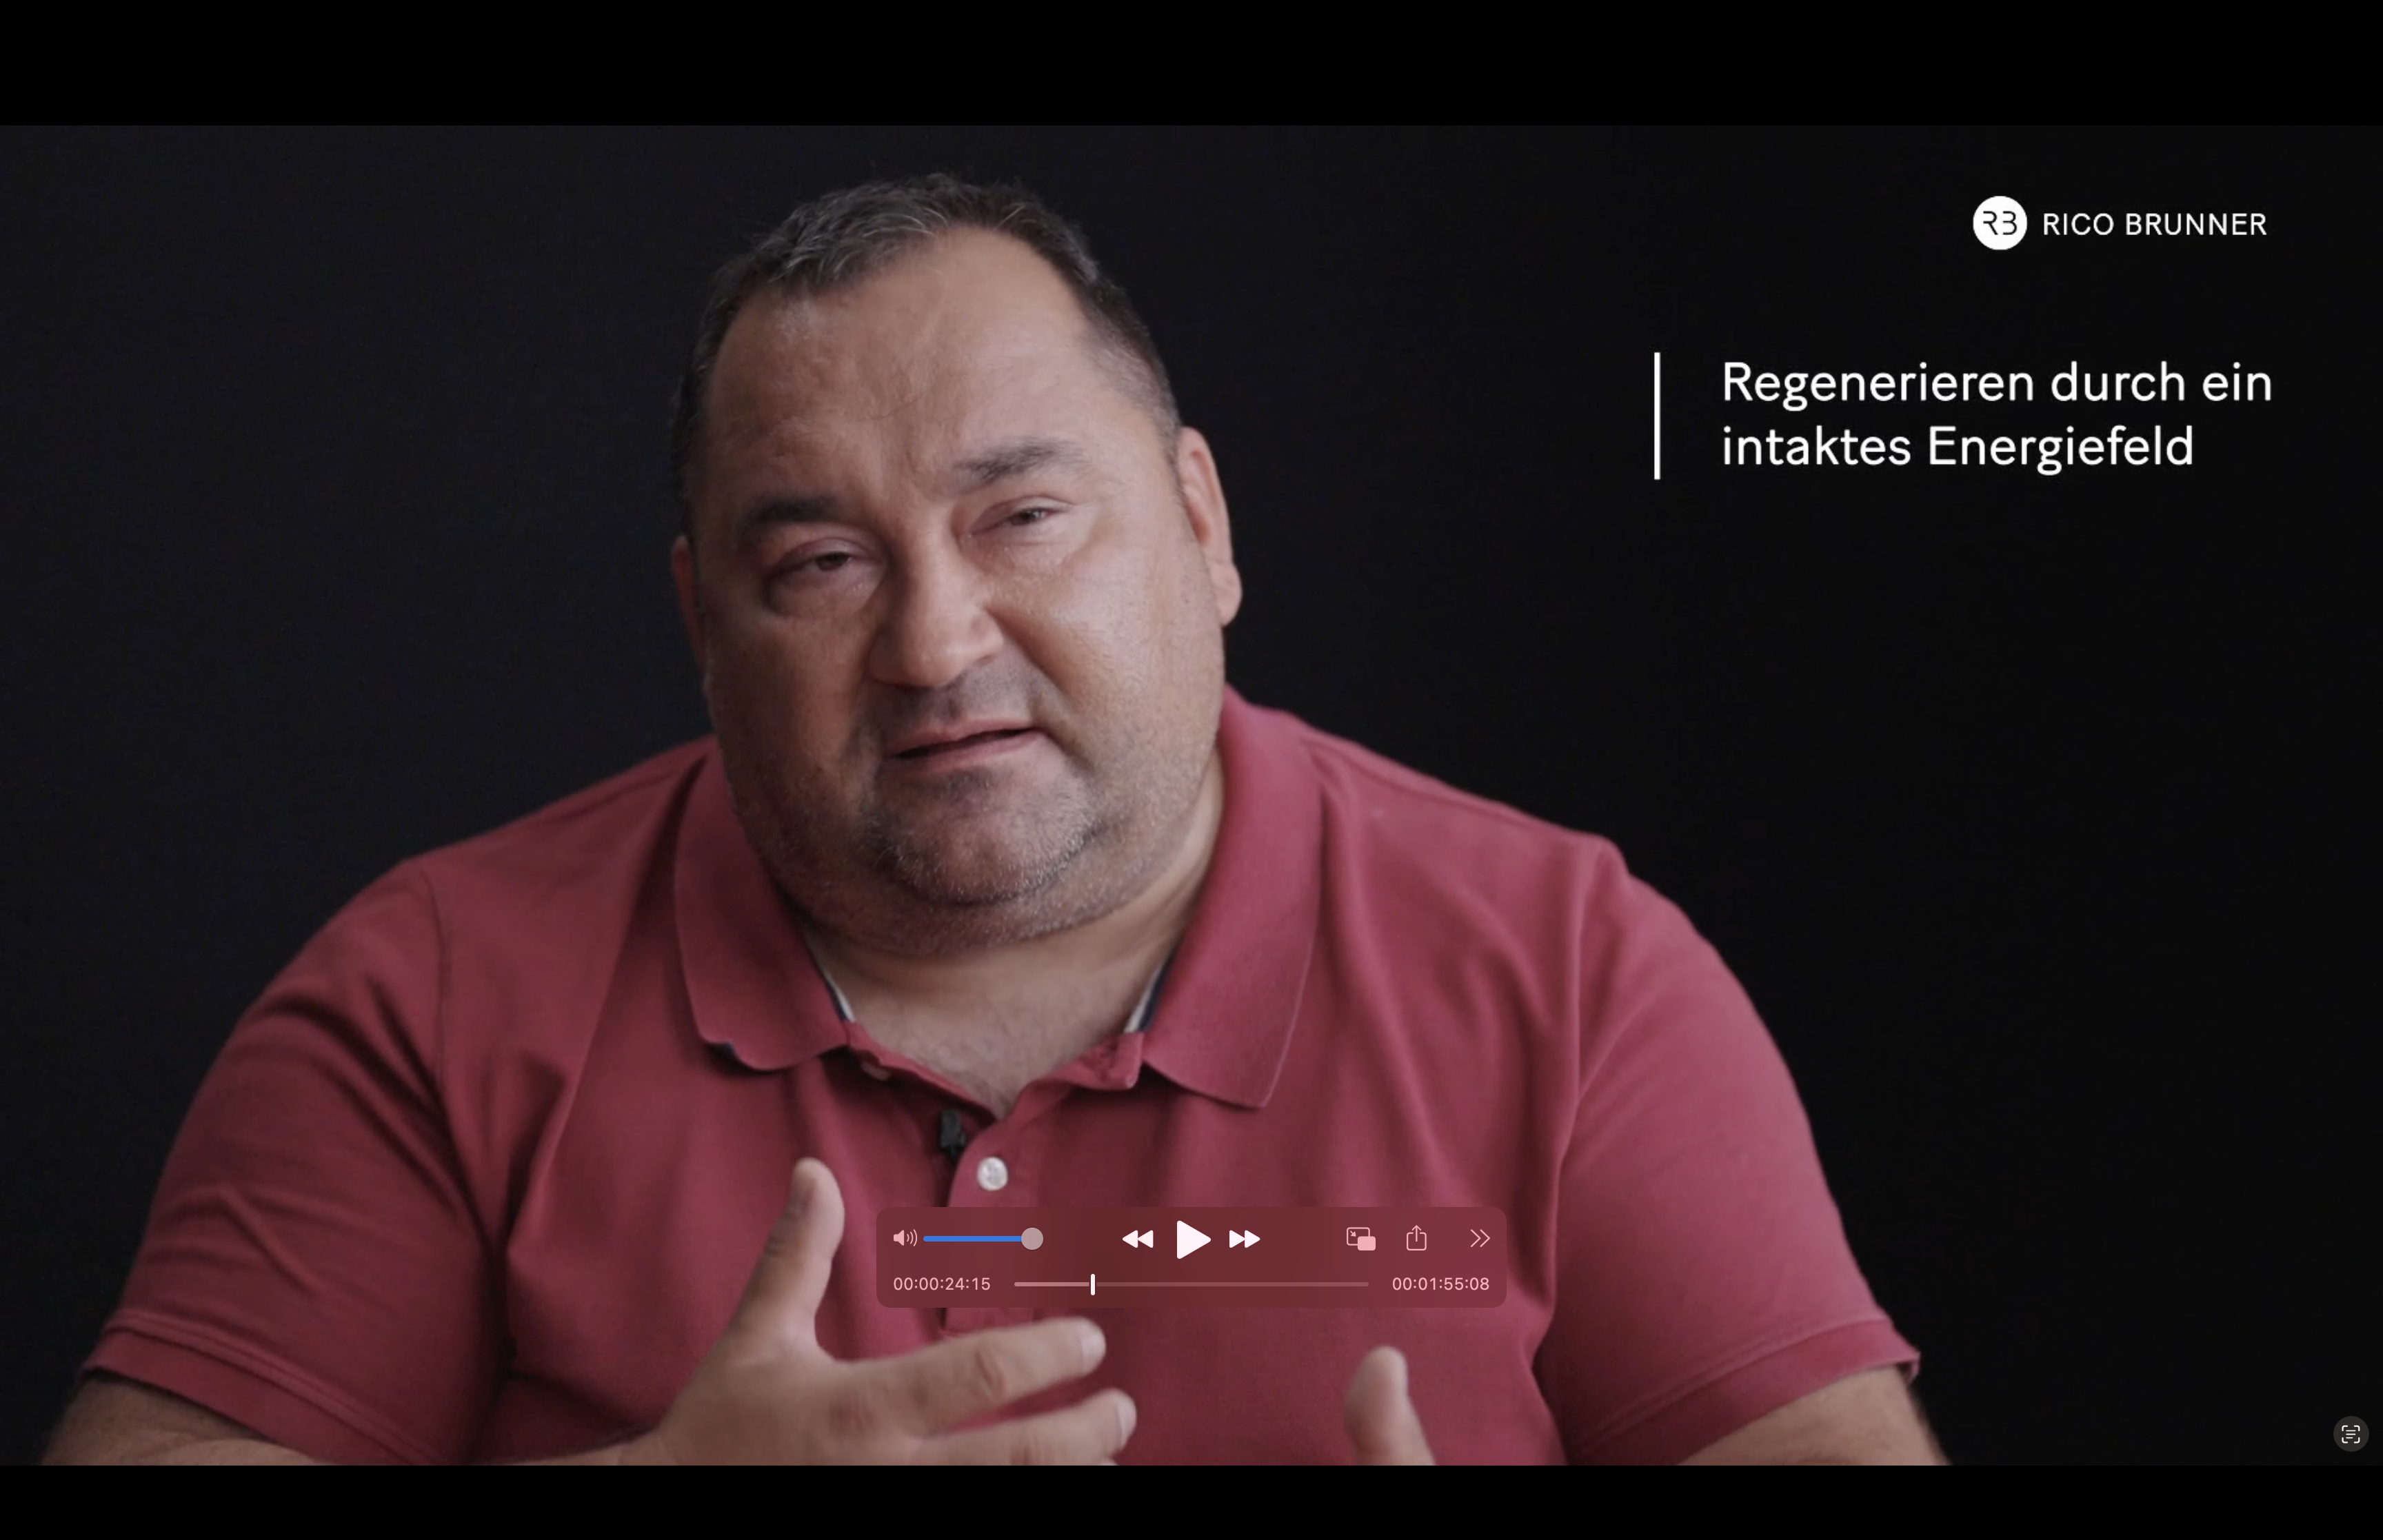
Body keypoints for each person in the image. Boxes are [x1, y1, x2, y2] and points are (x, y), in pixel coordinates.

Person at [49, 176, 1938, 1465]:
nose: (935, 642)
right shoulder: (433, 997)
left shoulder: (1574, 976)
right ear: (701, 623)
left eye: (1022, 518)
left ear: (1201, 525)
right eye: (821, 562)